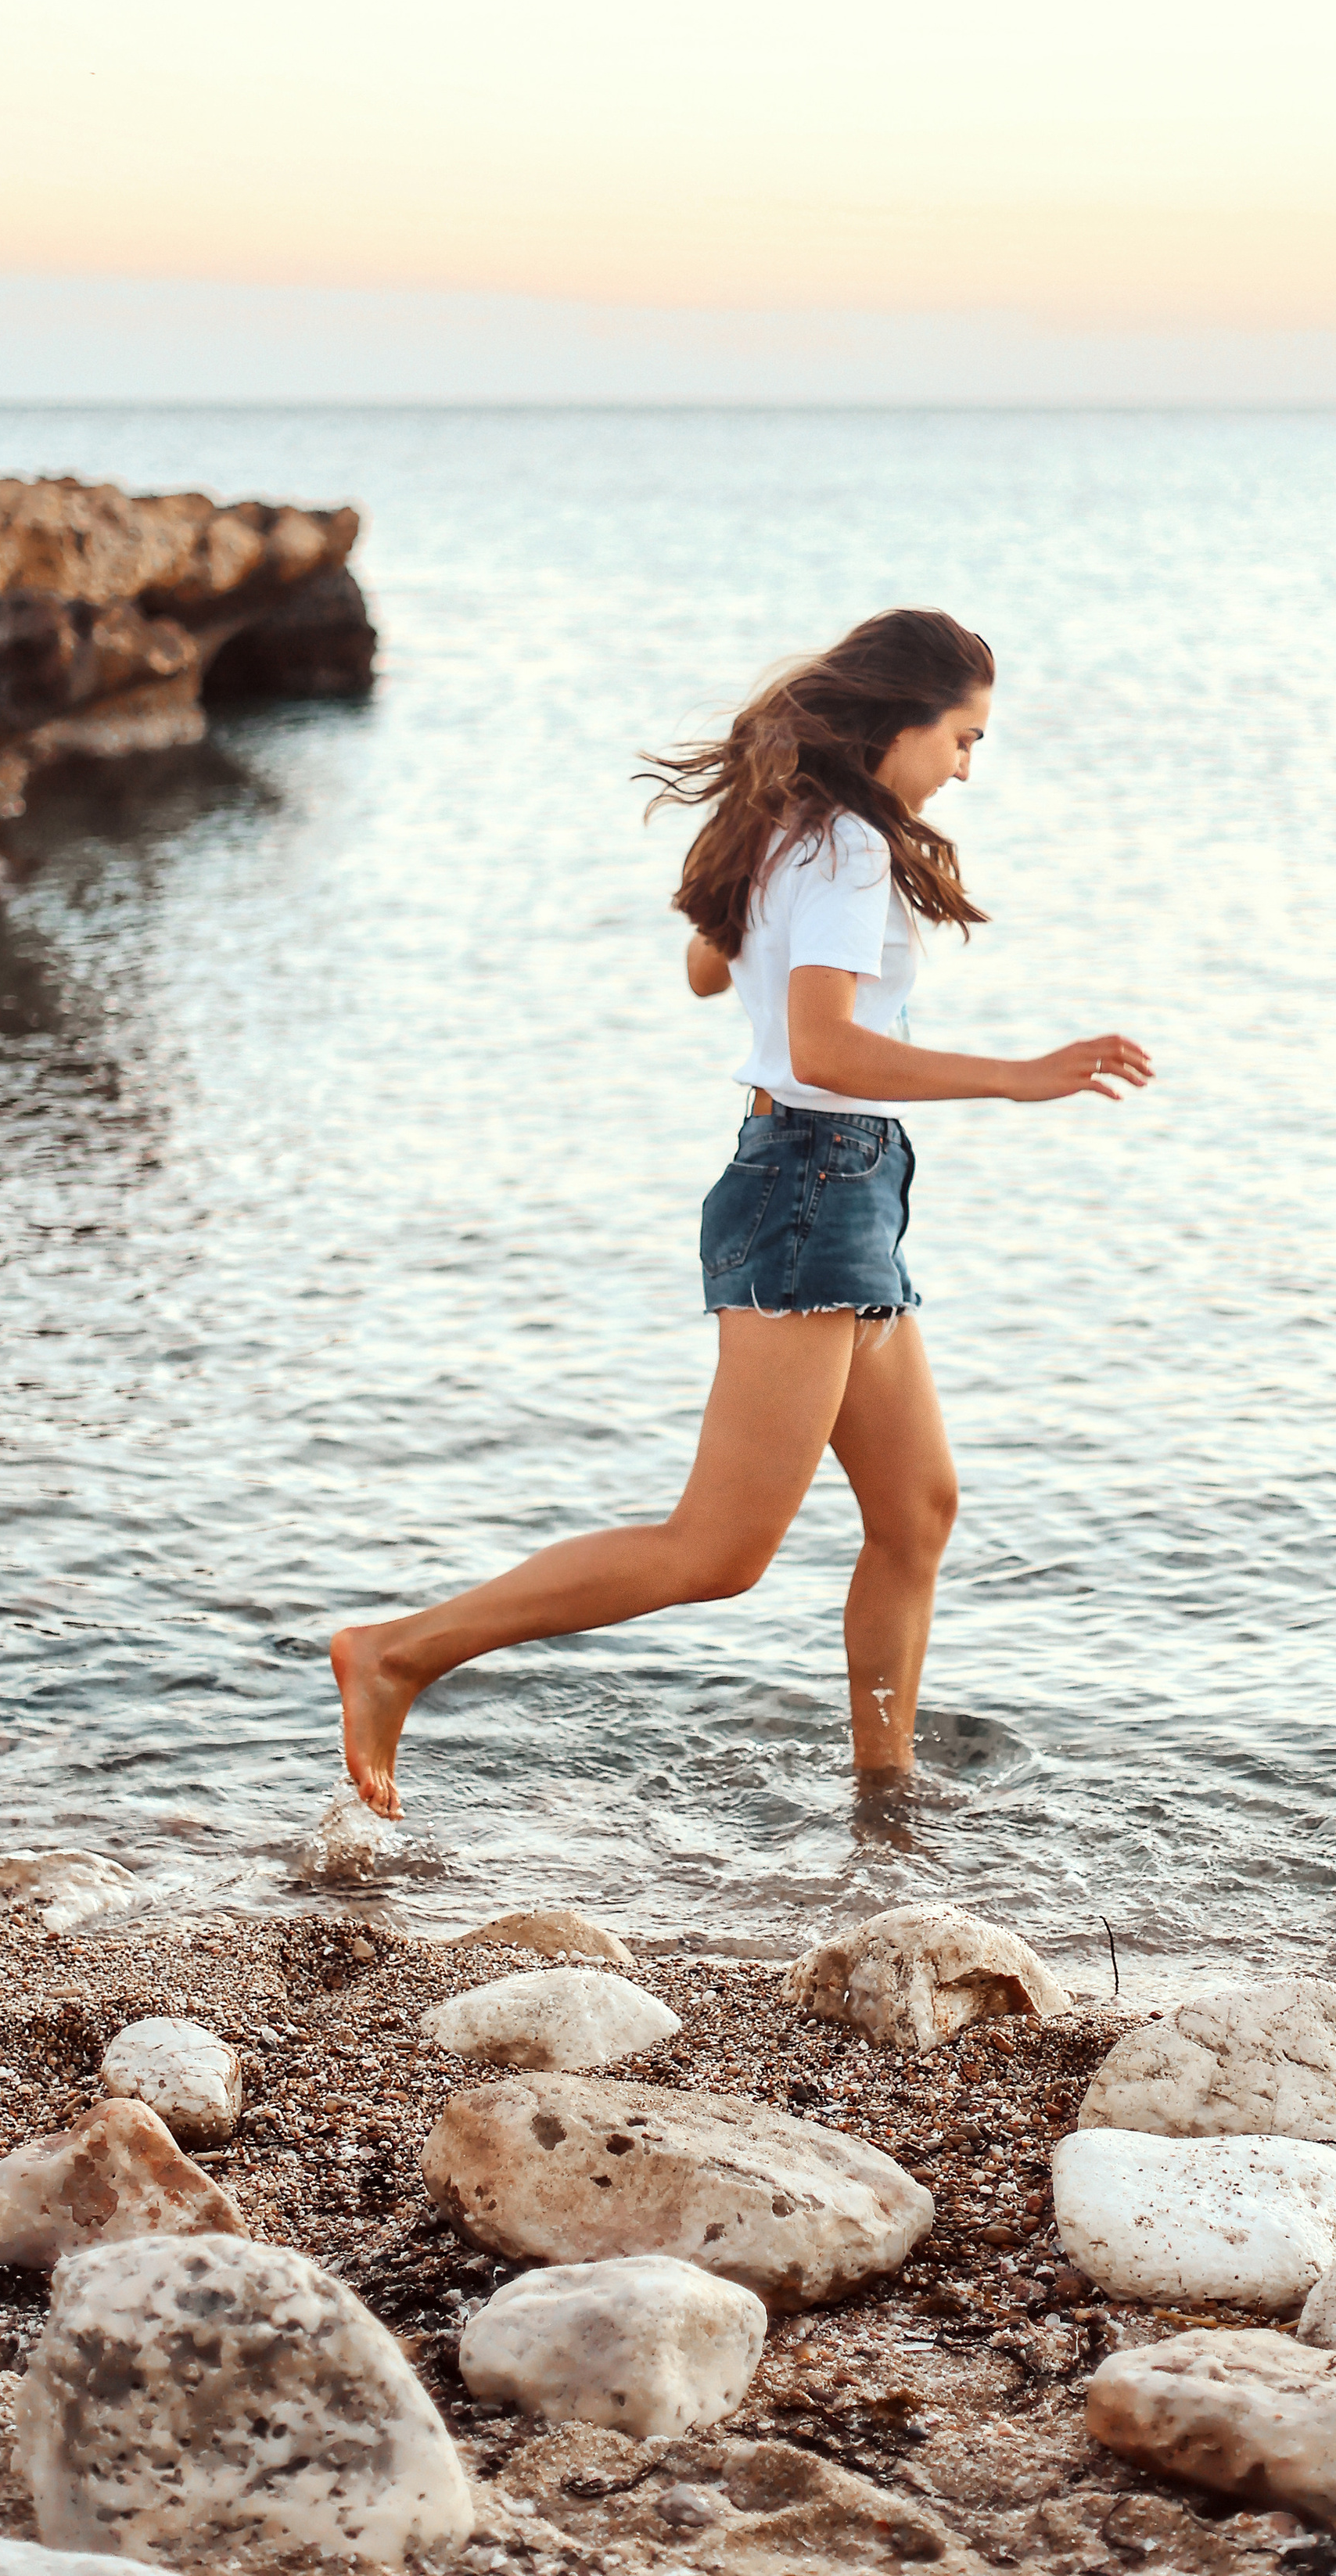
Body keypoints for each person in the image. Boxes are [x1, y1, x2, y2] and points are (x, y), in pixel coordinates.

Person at [332, 607, 1152, 1816]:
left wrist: (755, 930)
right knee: (714, 1553)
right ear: (900, 720)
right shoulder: (846, 849)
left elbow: (707, 969)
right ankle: (397, 1653)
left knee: (917, 1511)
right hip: (815, 1179)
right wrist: (1020, 1074)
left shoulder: (791, 828)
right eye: (964, 738)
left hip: (838, 1182)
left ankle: (887, 1794)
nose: (969, 766)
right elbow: (821, 1047)